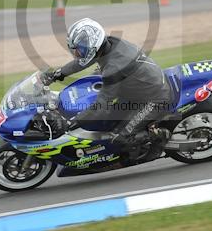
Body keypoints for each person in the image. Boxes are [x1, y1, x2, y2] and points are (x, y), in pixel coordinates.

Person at [42, 18, 173, 163]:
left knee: (120, 137)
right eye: (75, 50)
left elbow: (102, 106)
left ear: (93, 46)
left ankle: (159, 137)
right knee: (107, 122)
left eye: (80, 49)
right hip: (135, 90)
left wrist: (71, 122)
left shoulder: (114, 67)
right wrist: (58, 73)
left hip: (156, 98)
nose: (77, 53)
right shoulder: (109, 43)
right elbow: (84, 61)